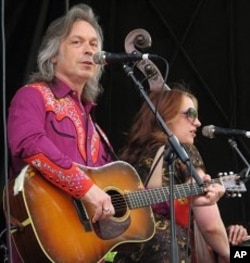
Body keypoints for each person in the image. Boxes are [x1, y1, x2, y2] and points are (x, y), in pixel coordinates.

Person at [6, 4, 116, 262]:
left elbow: (122, 190)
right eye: (77, 42)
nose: (90, 50)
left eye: (93, 43)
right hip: (41, 244)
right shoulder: (32, 96)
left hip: (87, 249)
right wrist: (85, 188)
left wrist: (187, 196)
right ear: (53, 54)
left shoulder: (96, 129)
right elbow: (29, 143)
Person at [116, 83, 230, 263]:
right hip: (166, 253)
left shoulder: (130, 158)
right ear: (166, 116)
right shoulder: (184, 152)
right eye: (191, 114)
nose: (198, 123)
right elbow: (210, 225)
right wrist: (229, 253)